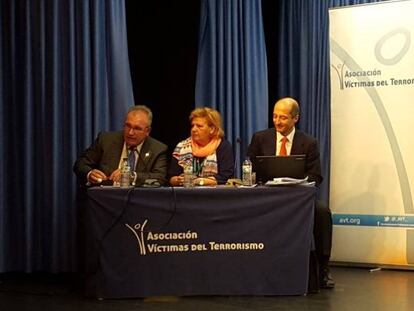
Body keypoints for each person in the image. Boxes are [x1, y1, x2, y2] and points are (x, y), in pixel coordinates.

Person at [247, 97, 335, 290]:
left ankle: (324, 268)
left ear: (296, 118)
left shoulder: (308, 142)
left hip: (297, 198)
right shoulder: (260, 138)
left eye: (283, 118)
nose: (277, 121)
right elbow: (250, 169)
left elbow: (316, 176)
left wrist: (299, 185)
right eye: (275, 116)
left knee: (322, 213)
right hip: (266, 197)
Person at [73, 105, 168, 187]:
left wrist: (131, 176)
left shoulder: (158, 149)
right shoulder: (106, 140)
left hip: (140, 202)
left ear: (147, 131)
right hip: (105, 198)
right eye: (128, 126)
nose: (130, 132)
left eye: (137, 128)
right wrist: (90, 174)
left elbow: (160, 178)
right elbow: (80, 164)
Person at [168, 107, 234, 186]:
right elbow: (171, 177)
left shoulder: (223, 147)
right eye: (193, 125)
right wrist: (177, 180)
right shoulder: (182, 147)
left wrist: (201, 181)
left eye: (199, 126)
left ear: (212, 129)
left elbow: (225, 178)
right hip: (185, 195)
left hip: (214, 196)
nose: (194, 129)